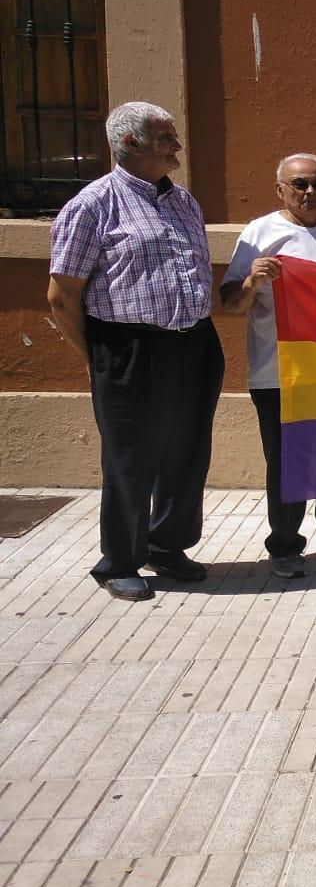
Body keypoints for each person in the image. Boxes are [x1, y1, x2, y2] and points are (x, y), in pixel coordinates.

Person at [46, 102, 224, 602]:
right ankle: (120, 560)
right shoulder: (94, 205)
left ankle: (167, 546)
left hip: (193, 342)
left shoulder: (184, 202)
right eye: (166, 137)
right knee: (130, 458)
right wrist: (99, 356)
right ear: (129, 144)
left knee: (186, 452)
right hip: (127, 347)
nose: (177, 145)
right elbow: (62, 296)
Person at [221, 153, 316, 578]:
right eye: (301, 185)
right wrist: (253, 279)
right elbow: (231, 305)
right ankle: (285, 546)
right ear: (280, 189)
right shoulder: (260, 233)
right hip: (279, 373)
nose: (311, 193)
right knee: (289, 462)